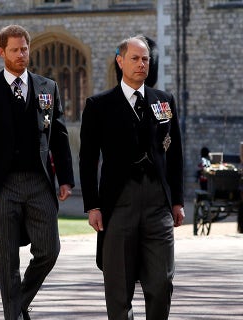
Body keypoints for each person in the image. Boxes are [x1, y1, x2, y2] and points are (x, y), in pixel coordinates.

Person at [0, 24, 74, 320]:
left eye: (24, 48)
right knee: (7, 260)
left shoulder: (47, 88)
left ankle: (19, 302)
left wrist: (65, 178)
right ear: (2, 52)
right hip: (3, 185)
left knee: (49, 250)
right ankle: (13, 316)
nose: (21, 54)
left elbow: (59, 136)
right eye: (14, 50)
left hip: (39, 181)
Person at [79, 35, 184, 319]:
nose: (141, 64)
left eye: (146, 59)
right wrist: (93, 205)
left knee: (161, 282)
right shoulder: (99, 105)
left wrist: (177, 201)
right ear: (120, 61)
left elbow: (175, 156)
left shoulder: (164, 102)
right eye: (135, 58)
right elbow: (88, 161)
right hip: (118, 205)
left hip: (157, 204)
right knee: (118, 288)